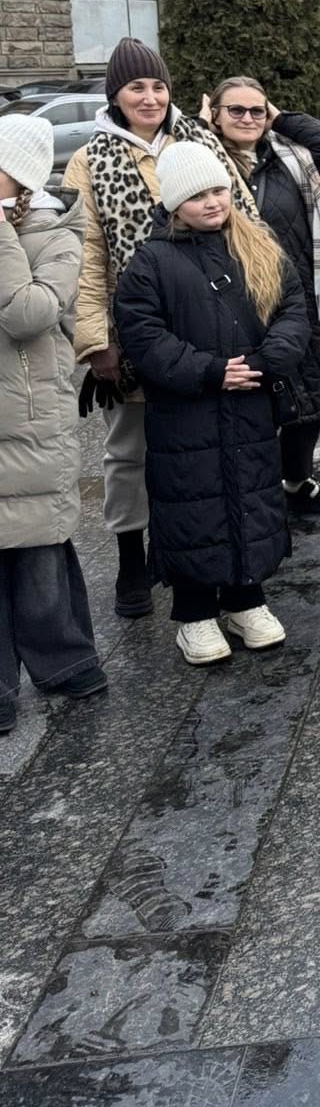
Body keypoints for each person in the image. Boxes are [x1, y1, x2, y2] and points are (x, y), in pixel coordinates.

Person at [63, 37, 257, 619]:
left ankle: (209, 553)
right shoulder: (91, 159)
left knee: (204, 449)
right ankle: (131, 557)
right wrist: (98, 342)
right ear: (115, 95)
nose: (149, 97)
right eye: (135, 87)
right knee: (128, 453)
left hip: (212, 327)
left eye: (157, 86)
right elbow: (86, 259)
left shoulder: (199, 140)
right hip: (138, 335)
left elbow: (247, 222)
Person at [113, 144, 310, 667]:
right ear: (175, 203)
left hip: (250, 400)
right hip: (187, 409)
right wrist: (208, 371)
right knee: (191, 501)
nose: (211, 202)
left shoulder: (257, 246)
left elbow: (293, 307)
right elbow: (142, 333)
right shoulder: (152, 261)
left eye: (218, 189)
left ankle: (247, 597)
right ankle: (195, 612)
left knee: (251, 492)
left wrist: (268, 361)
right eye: (197, 195)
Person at [0, 113, 107, 734]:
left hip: (32, 418)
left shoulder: (57, 231)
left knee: (39, 543)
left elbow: (29, 313)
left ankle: (64, 664)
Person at [207, 77, 320, 517]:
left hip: (303, 296)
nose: (248, 118)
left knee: (308, 397)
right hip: (236, 303)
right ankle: (252, 494)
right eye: (236, 110)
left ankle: (296, 481)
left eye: (257, 110)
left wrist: (282, 118)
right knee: (252, 401)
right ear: (214, 114)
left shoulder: (289, 158)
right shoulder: (205, 163)